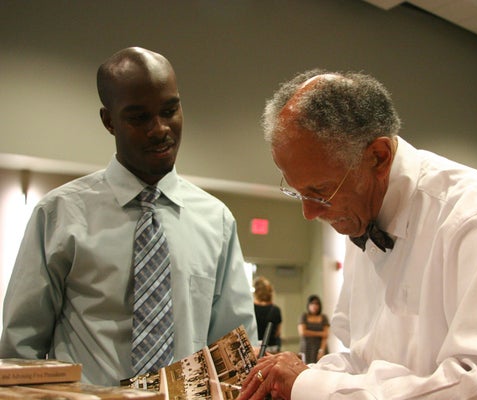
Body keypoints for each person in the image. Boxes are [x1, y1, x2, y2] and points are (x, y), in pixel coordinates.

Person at [238, 70, 477, 399]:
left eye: (321, 191)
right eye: (298, 193)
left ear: (379, 157)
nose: (309, 213)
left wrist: (310, 386)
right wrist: (299, 379)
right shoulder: (360, 220)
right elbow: (362, 361)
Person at [0, 47, 257, 386]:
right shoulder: (60, 214)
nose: (160, 128)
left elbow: (234, 353)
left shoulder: (216, 221)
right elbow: (20, 350)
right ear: (109, 121)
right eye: (139, 118)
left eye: (170, 110)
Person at [253, 276, 282, 353]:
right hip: (272, 349)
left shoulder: (251, 309)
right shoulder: (276, 310)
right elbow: (277, 333)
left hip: (255, 349)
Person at [297, 295, 329, 364]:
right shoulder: (304, 316)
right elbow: (302, 332)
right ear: (308, 305)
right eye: (312, 303)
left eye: (316, 304)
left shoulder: (324, 317)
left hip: (320, 347)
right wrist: (320, 333)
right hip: (306, 348)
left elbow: (325, 335)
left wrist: (321, 350)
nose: (314, 306)